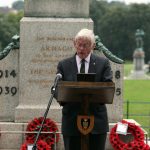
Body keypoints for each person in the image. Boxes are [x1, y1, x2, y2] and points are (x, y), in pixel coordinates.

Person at [56, 28, 112, 150]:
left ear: (93, 46)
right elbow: (57, 89)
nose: (81, 49)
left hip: (97, 121)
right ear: (74, 43)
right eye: (79, 45)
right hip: (71, 121)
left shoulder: (103, 63)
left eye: (85, 45)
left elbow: (108, 87)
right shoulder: (63, 65)